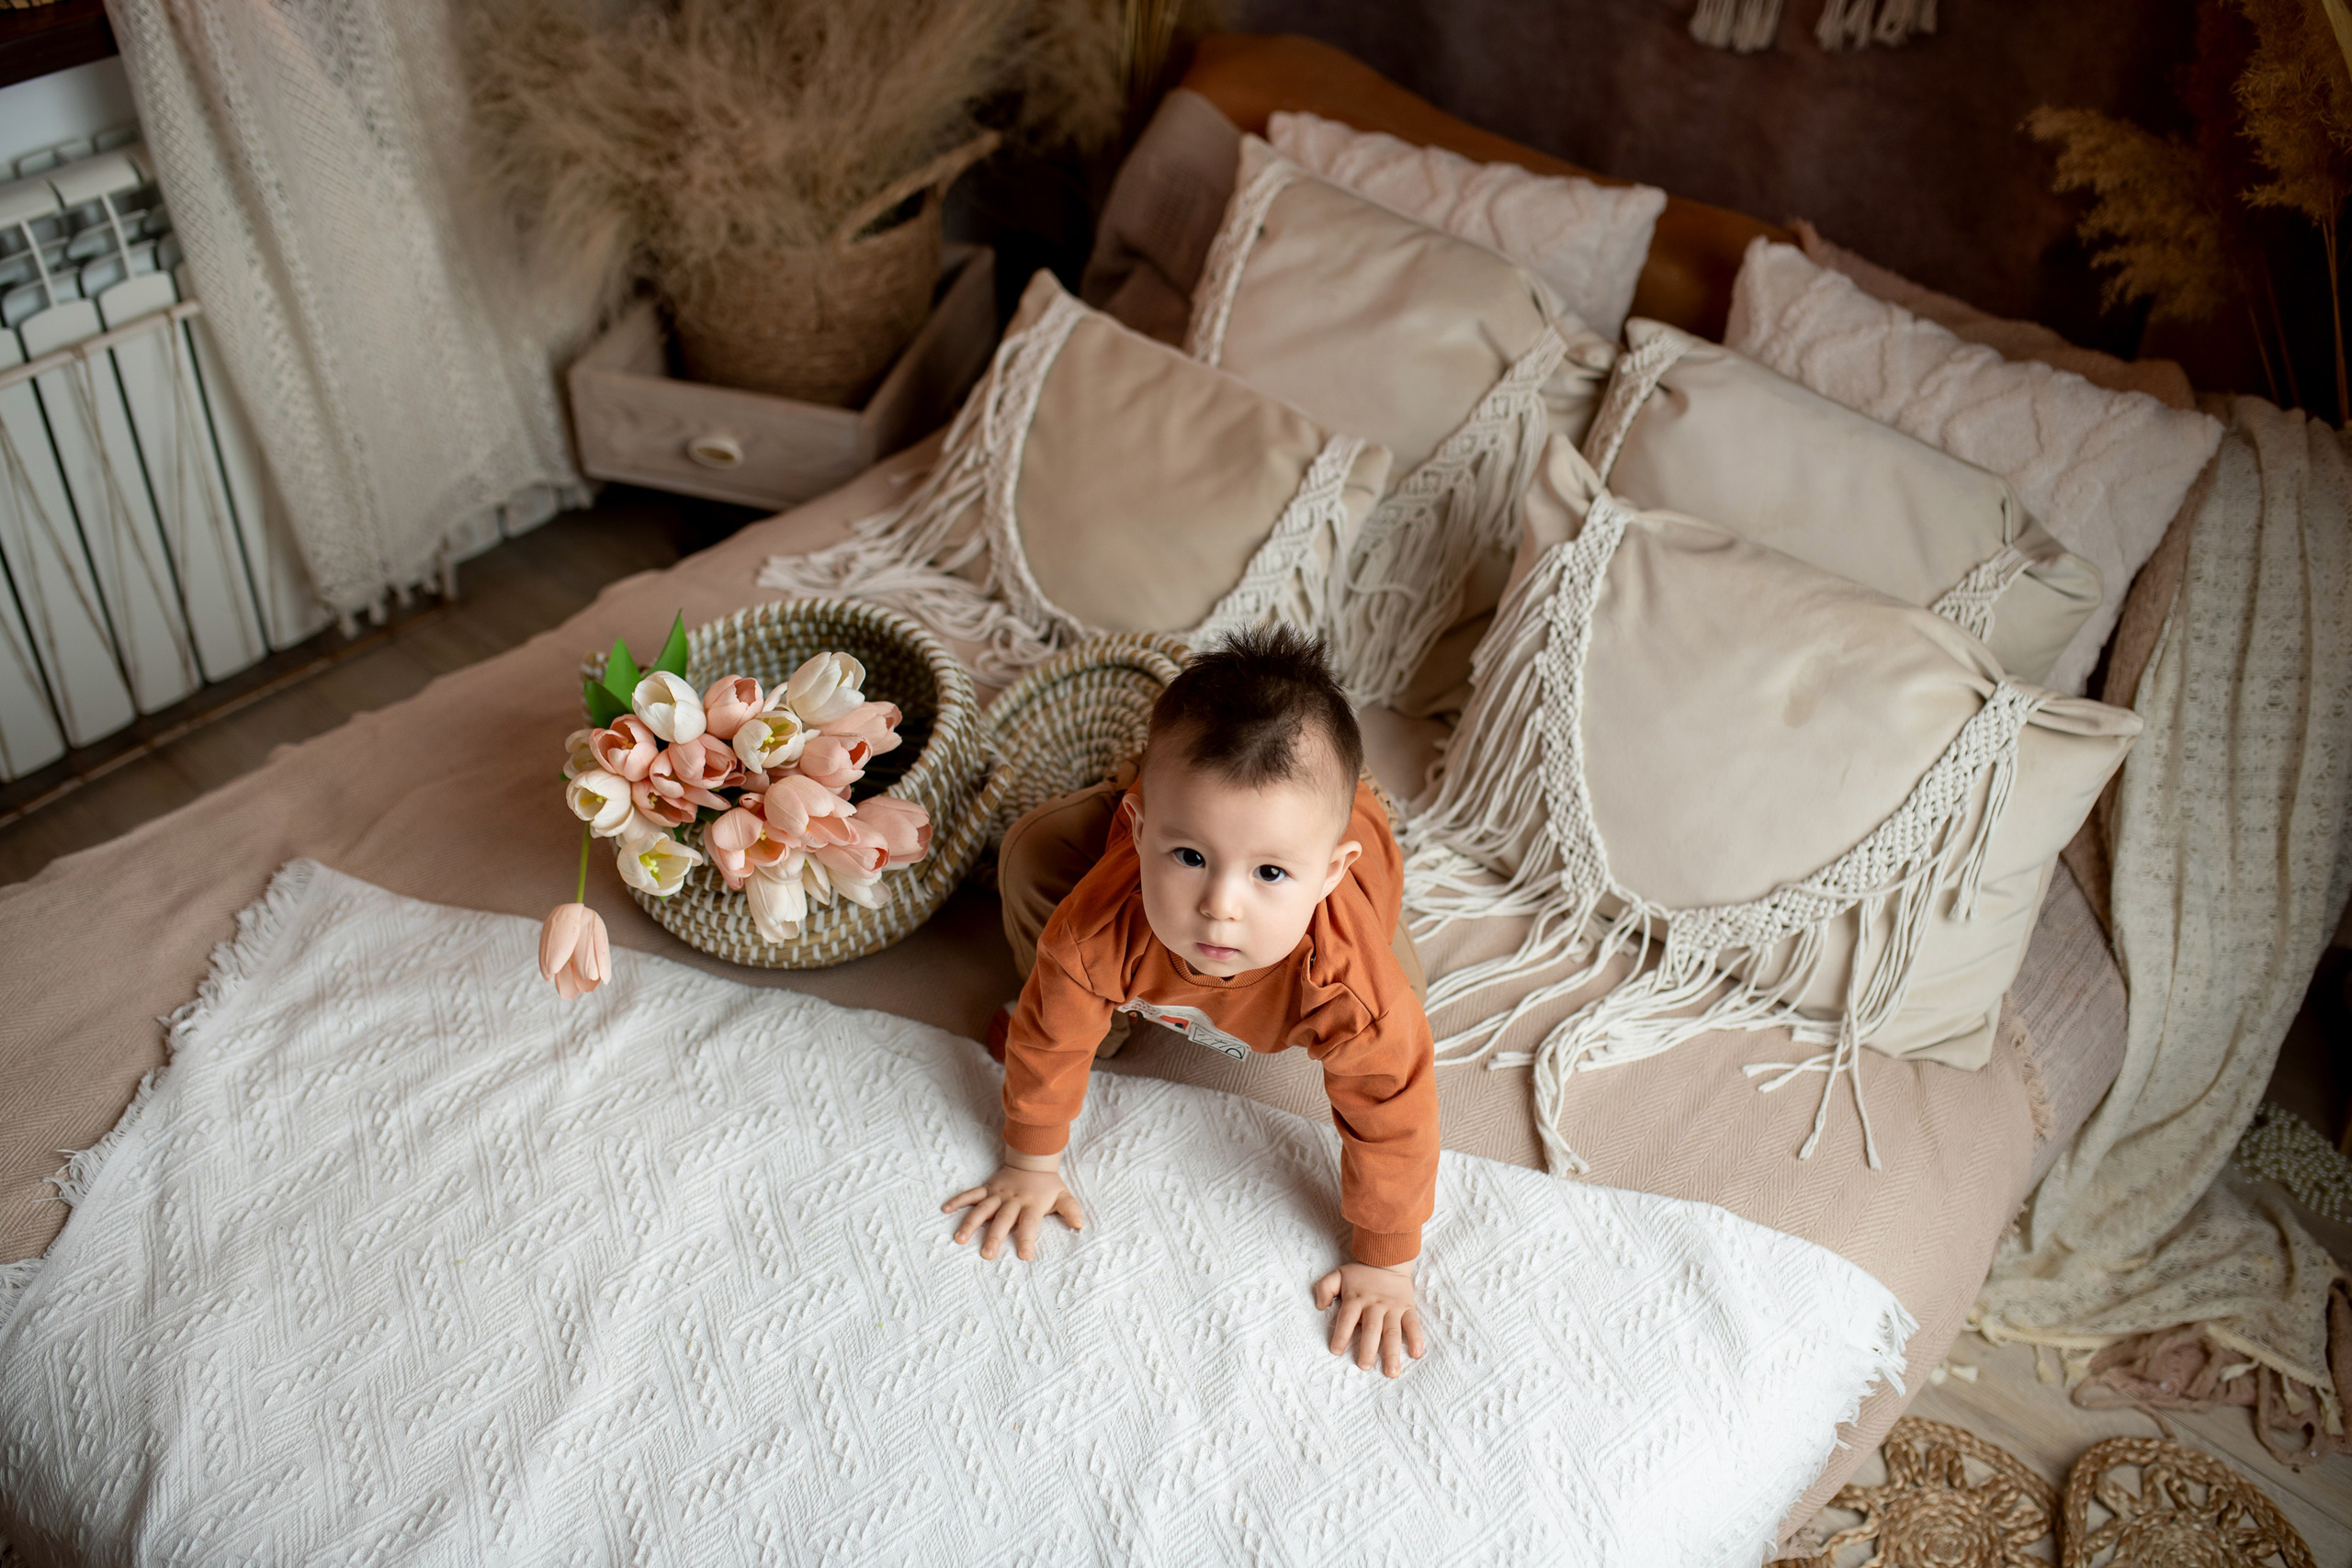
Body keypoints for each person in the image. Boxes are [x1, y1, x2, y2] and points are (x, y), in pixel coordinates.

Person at [941, 626, 1439, 1377]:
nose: (1219, 906)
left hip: (1339, 910)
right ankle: (1116, 992)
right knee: (1034, 854)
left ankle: (1296, 850)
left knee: (1403, 1027)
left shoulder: (1347, 982)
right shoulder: (1099, 919)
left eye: (1268, 873)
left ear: (1329, 871)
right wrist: (1029, 1162)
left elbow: (1395, 1115)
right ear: (1140, 830)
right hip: (1132, 867)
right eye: (1190, 857)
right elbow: (1044, 1038)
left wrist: (1384, 1260)